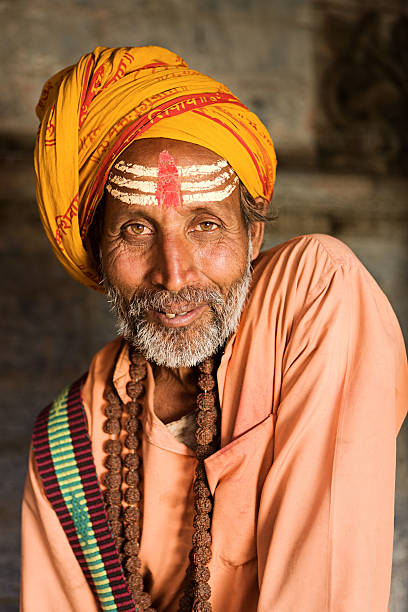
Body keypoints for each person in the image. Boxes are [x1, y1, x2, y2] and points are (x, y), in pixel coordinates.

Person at [20, 46, 407, 612]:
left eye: (205, 225)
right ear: (98, 251)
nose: (174, 274)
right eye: (134, 228)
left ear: (253, 237)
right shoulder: (68, 444)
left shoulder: (315, 291)